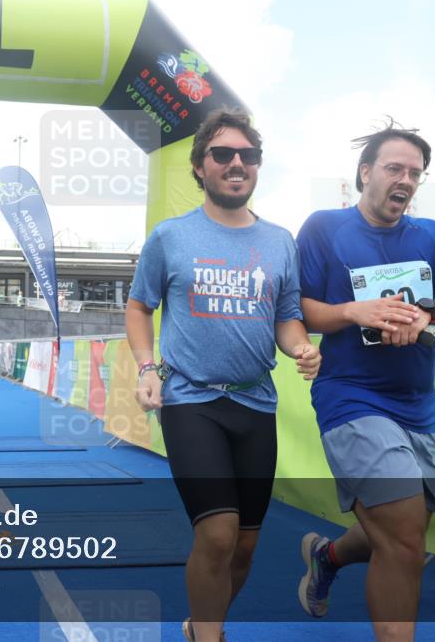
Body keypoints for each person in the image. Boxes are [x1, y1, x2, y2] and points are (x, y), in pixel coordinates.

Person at [126, 107, 321, 642]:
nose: (237, 163)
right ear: (199, 166)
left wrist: (301, 347)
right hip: (190, 401)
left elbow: (287, 317)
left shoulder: (280, 241)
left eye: (248, 155)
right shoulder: (171, 237)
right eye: (223, 154)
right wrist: (147, 368)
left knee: (244, 546)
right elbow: (139, 306)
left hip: (255, 403)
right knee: (217, 534)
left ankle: (201, 627)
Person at [295, 120, 435, 641]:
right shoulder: (324, 228)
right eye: (394, 168)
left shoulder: (432, 235)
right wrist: (352, 312)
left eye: (415, 174)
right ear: (365, 173)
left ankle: (328, 557)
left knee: (407, 531)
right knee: (404, 540)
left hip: (417, 407)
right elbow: (299, 308)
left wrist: (426, 313)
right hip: (351, 398)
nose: (405, 180)